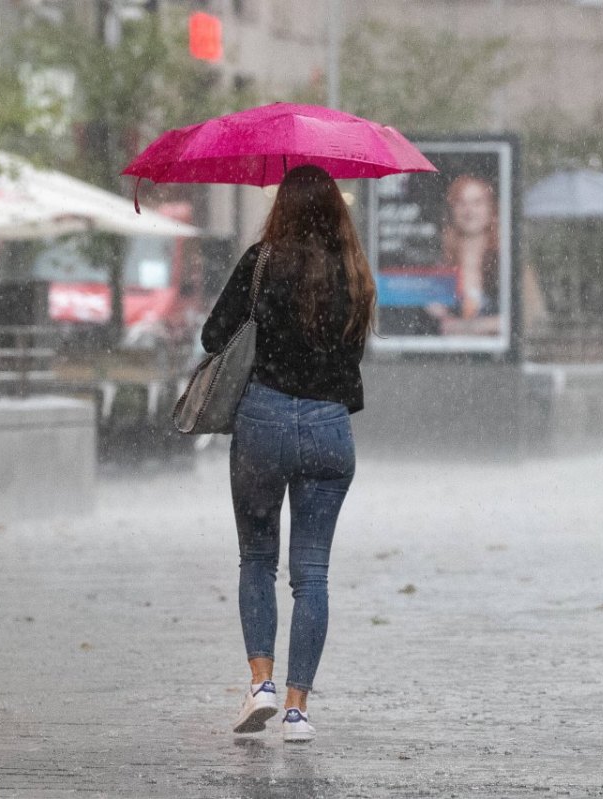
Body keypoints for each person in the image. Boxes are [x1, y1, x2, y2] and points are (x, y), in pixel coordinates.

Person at [201, 165, 375, 743]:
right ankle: (298, 710)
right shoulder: (353, 272)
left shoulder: (261, 262)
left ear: (283, 208)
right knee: (313, 573)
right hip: (329, 427)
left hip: (263, 420)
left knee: (257, 559)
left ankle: (261, 683)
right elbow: (352, 351)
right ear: (336, 211)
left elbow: (212, 336)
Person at [426, 174, 502, 336]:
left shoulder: (507, 263)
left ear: (491, 209)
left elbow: (527, 319)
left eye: (477, 202)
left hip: (496, 360)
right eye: (461, 203)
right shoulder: (440, 263)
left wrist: (465, 327)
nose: (469, 210)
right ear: (452, 210)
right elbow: (428, 318)